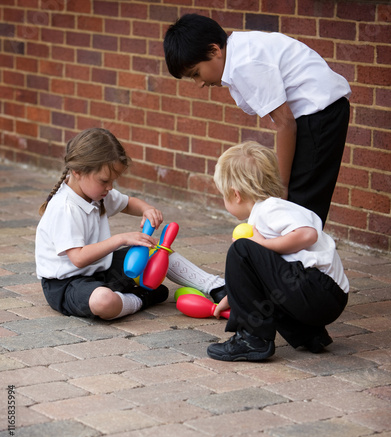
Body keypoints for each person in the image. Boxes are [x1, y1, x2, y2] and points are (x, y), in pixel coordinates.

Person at [164, 13, 351, 226]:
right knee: (295, 202)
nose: (198, 83)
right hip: (317, 113)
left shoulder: (245, 65)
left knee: (299, 206)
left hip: (320, 115)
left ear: (215, 50)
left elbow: (285, 124)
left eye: (196, 73)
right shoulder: (240, 51)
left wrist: (281, 186)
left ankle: (299, 255)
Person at [35, 128, 225, 320]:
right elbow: (78, 258)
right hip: (67, 285)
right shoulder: (64, 208)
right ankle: (140, 298)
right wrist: (121, 239)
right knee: (103, 301)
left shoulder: (95, 193)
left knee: (157, 251)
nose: (110, 187)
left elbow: (127, 203)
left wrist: (146, 209)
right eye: (104, 181)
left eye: (113, 181)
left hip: (101, 268)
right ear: (77, 172)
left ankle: (216, 286)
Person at [206, 141, 349, 362]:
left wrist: (262, 244)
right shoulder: (275, 209)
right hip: (325, 298)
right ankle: (309, 334)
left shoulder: (269, 208)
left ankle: (251, 339)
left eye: (222, 195)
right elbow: (266, 274)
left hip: (318, 289)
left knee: (241, 250)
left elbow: (307, 234)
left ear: (235, 194)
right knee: (257, 262)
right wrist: (235, 297)